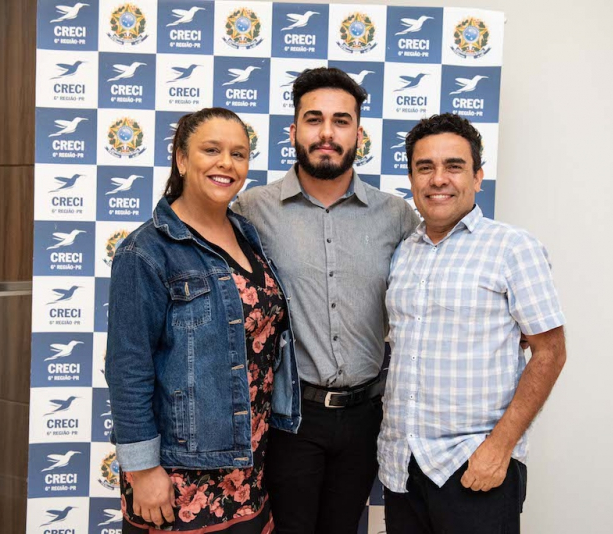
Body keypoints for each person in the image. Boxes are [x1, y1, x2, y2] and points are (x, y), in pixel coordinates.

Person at [232, 67, 419, 534]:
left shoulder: (396, 215)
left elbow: (434, 285)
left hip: (367, 416)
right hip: (289, 415)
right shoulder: (251, 210)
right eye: (314, 119)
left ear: (359, 134)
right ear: (294, 131)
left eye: (341, 121)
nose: (327, 133)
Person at [105, 107, 300, 534]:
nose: (226, 163)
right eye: (211, 150)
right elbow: (127, 367)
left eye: (238, 154)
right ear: (181, 158)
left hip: (250, 466)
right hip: (180, 475)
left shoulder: (247, 235)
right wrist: (143, 470)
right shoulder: (145, 251)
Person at [378, 113, 567, 534]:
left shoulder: (513, 248)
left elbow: (550, 353)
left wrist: (500, 449)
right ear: (411, 179)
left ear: (478, 177)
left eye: (454, 166)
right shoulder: (402, 251)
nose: (438, 179)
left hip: (475, 466)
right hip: (402, 467)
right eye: (425, 167)